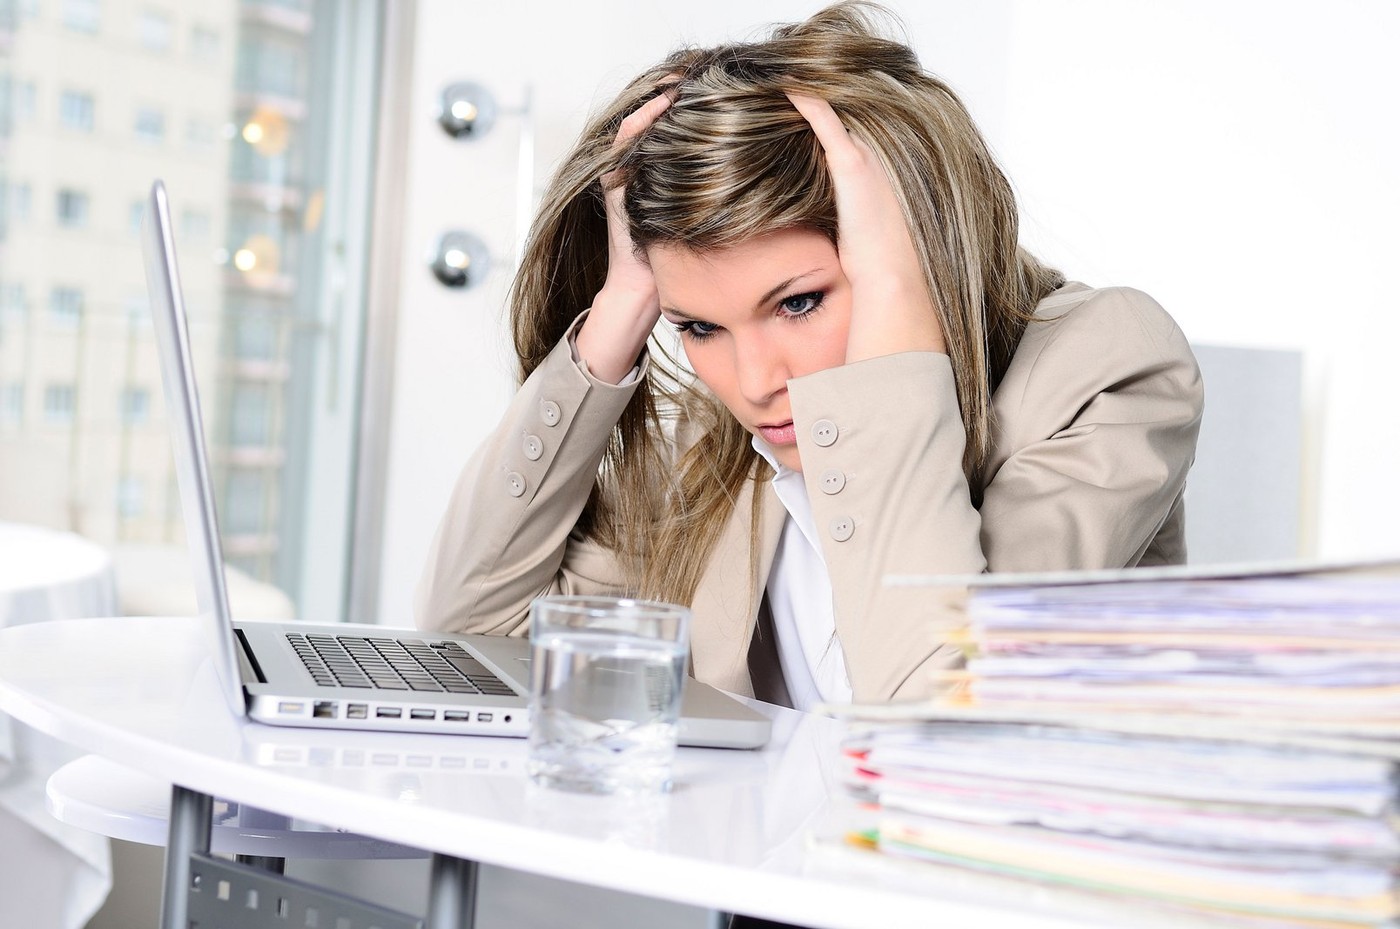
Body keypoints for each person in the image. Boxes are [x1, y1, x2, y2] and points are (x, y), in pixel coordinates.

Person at [414, 2, 1203, 708]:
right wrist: (623, 303)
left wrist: (896, 301)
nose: (755, 385)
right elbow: (472, 633)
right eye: (700, 327)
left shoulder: (1102, 369)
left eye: (799, 302)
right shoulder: (719, 449)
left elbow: (931, 704)